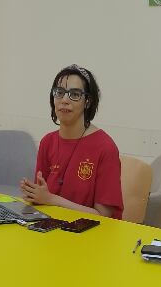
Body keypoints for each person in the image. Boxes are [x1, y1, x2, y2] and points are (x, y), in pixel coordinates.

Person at [19, 64, 123, 218]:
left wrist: (51, 199)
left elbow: (104, 216)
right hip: (50, 229)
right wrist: (33, 195)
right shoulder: (47, 142)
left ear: (87, 101)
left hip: (90, 235)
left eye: (74, 94)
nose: (64, 100)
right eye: (59, 93)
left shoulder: (105, 147)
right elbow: (43, 200)